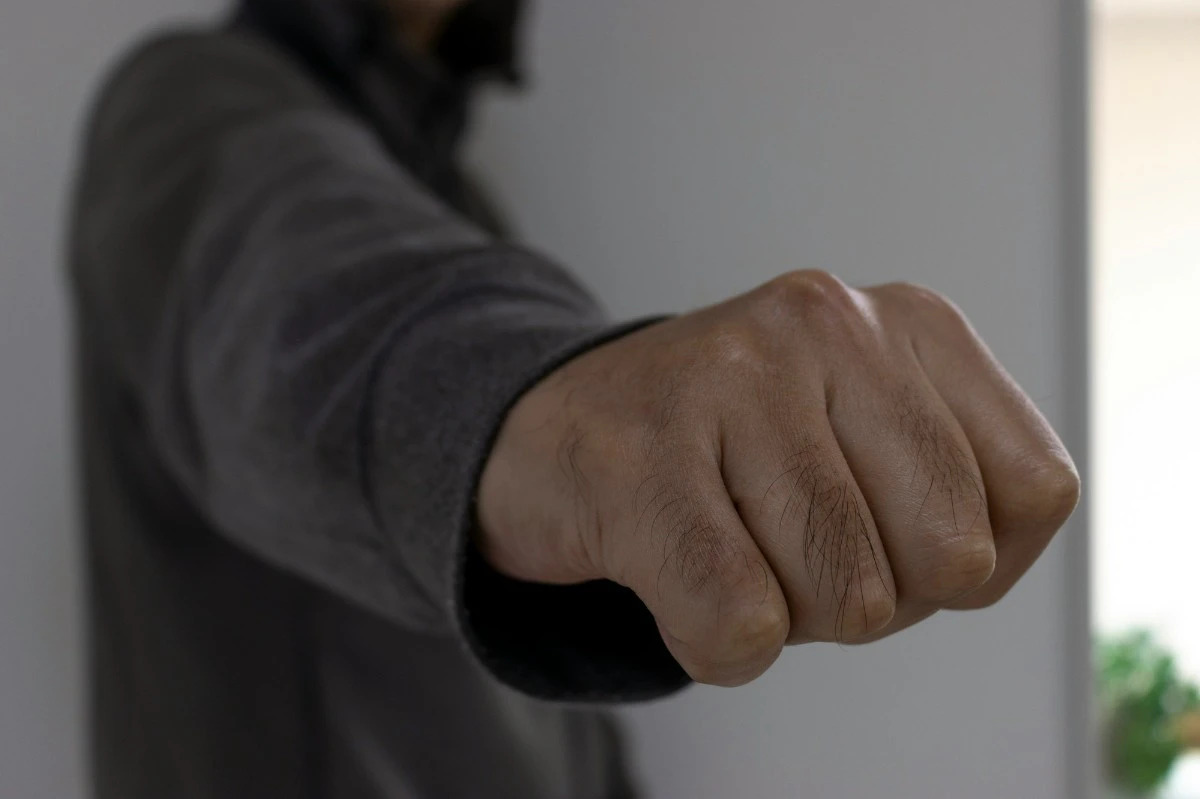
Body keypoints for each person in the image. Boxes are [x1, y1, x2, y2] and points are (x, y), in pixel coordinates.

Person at [66, 0, 1081, 797]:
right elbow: (310, 313)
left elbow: (545, 708)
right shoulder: (187, 101)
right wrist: (567, 414)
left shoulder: (459, 196)